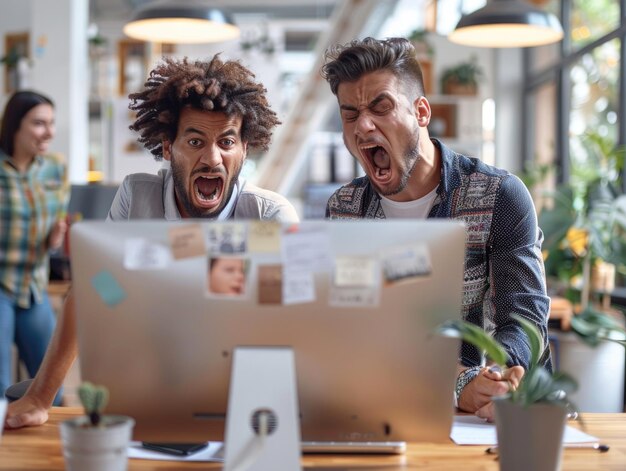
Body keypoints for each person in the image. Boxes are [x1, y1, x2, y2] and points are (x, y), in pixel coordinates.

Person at [5, 55, 298, 429]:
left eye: (226, 141)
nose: (212, 158)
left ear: (244, 148)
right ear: (166, 147)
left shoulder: (269, 216)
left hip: (250, 399)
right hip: (153, 388)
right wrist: (40, 397)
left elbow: (296, 319)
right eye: (195, 141)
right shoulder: (137, 199)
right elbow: (95, 289)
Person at [321, 37, 551, 421]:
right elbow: (348, 330)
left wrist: (492, 376)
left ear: (422, 112)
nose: (363, 125)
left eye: (381, 107)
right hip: (386, 410)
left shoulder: (499, 195)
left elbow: (524, 320)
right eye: (350, 114)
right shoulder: (344, 210)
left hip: (483, 418)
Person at [0, 91, 68, 407]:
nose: (49, 132)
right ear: (15, 125)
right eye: (39, 123)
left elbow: (55, 223)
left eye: (51, 123)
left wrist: (55, 240)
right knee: (2, 389)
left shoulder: (55, 168)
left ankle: (52, 454)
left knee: (52, 390)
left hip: (35, 287)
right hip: (1, 285)